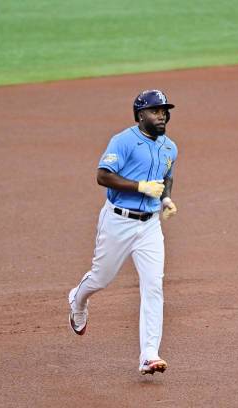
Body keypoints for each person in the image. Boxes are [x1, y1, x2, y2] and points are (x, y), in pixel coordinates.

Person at [68, 89, 178, 375]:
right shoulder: (124, 141)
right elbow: (102, 175)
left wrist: (165, 199)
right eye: (155, 111)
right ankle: (77, 299)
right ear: (140, 115)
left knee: (153, 286)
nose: (162, 115)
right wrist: (140, 186)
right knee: (100, 279)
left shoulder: (170, 147)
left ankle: (149, 354)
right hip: (118, 222)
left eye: (164, 111)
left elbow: (167, 178)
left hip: (150, 225)